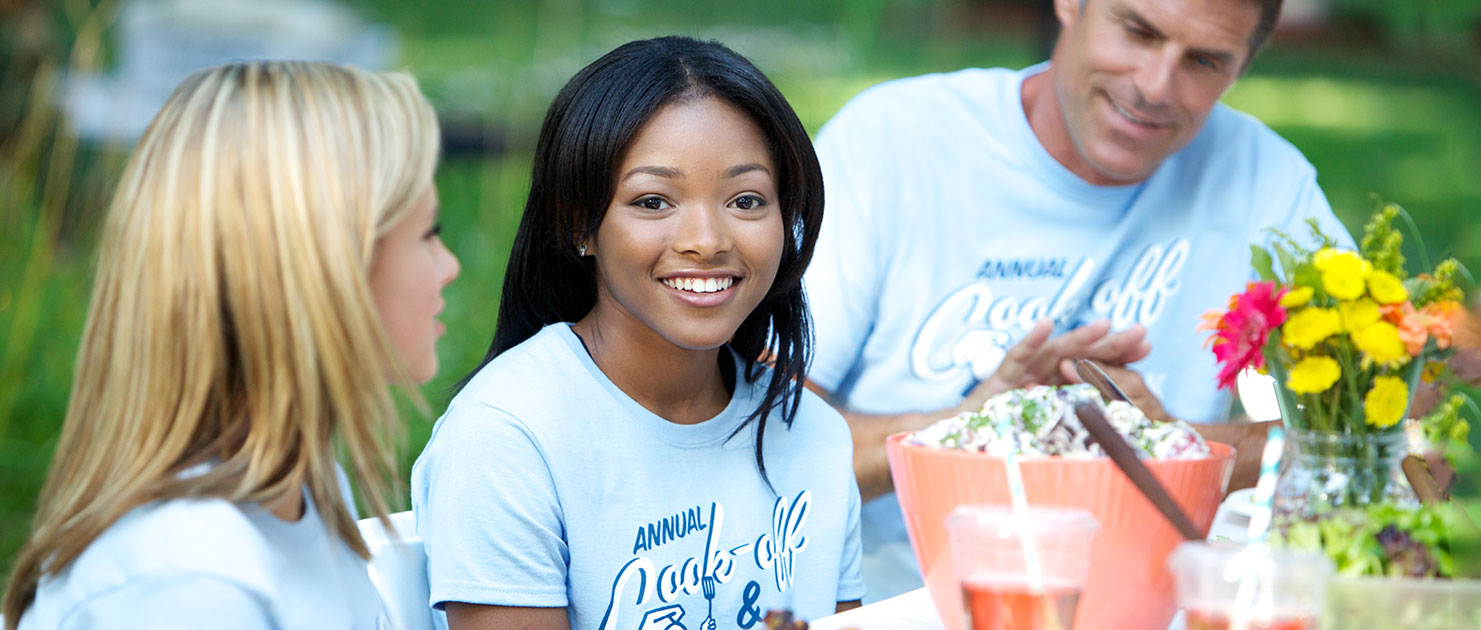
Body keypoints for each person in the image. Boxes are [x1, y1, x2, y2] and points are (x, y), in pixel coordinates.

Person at [803, 0, 1352, 600]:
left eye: (1203, 61)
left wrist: (1177, 445)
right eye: (1137, 31)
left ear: (1244, 65)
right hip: (903, 606)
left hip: (1151, 608)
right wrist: (974, 427)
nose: (1154, 86)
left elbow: (1393, 408)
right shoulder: (893, 141)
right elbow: (745, 435)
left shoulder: (1260, 176)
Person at [411, 36, 862, 630]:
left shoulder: (812, 434)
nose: (707, 240)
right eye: (653, 201)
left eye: (746, 199)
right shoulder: (508, 437)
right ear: (580, 223)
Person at [1, 61, 456, 628]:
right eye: (429, 234)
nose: (449, 266)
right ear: (327, 273)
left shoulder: (302, 492)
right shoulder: (190, 582)